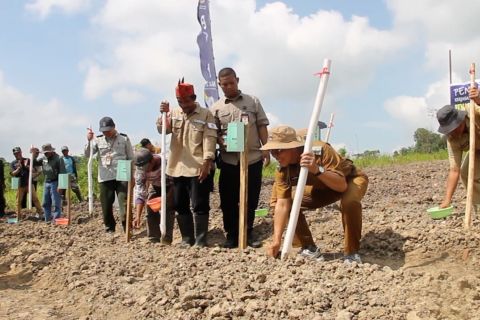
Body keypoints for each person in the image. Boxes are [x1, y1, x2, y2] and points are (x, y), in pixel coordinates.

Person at [262, 126, 368, 263]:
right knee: (288, 203)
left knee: (349, 203)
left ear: (292, 147)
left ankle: (352, 253)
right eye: (272, 152)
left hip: (348, 180)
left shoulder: (320, 150)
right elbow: (282, 205)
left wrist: (316, 170)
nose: (275, 155)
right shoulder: (283, 170)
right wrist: (276, 241)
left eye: (279, 150)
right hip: (321, 188)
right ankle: (308, 248)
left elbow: (342, 186)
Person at [210, 67, 270, 248]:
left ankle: (248, 233)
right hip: (229, 160)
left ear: (237, 80)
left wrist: (266, 149)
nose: (228, 86)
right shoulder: (216, 108)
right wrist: (222, 142)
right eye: (224, 84)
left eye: (231, 83)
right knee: (228, 200)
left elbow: (261, 126)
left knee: (251, 198)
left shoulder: (253, 102)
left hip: (252, 158)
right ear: (220, 85)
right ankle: (232, 235)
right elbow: (215, 133)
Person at [157, 79, 217, 247]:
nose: (183, 105)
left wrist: (207, 162)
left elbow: (210, 138)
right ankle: (187, 238)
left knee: (199, 204)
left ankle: (200, 240)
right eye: (180, 102)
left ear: (194, 97)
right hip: (176, 167)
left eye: (186, 101)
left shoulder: (206, 114)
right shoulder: (173, 113)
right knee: (179, 204)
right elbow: (163, 130)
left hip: (197, 167)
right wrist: (163, 115)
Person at [85, 116, 134, 233]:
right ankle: (109, 228)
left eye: (108, 130)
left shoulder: (124, 139)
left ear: (114, 127)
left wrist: (132, 176)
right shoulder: (97, 140)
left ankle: (127, 228)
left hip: (122, 174)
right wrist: (88, 140)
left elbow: (131, 158)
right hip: (105, 176)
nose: (106, 133)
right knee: (106, 205)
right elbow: (88, 155)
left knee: (124, 203)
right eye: (103, 131)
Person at [437, 89, 480, 208]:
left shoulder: (474, 111)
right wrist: (447, 200)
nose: (453, 132)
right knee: (465, 173)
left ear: (460, 120)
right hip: (477, 151)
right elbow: (454, 170)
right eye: (449, 130)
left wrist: (479, 101)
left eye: (454, 128)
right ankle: (478, 205)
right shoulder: (451, 139)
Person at [133, 148, 175, 244]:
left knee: (168, 209)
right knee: (150, 208)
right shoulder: (140, 171)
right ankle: (153, 238)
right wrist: (137, 216)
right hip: (155, 185)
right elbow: (140, 192)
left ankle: (167, 239)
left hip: (171, 185)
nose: (145, 170)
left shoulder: (166, 162)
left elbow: (176, 183)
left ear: (152, 160)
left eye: (147, 167)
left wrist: (166, 198)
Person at [34, 144, 66, 222]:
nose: (45, 154)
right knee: (45, 203)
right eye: (44, 153)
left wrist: (61, 186)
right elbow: (34, 163)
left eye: (47, 152)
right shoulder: (44, 158)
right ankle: (47, 220)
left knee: (56, 204)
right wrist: (34, 155)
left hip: (55, 182)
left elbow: (63, 173)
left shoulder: (59, 158)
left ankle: (56, 221)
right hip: (47, 182)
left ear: (51, 151)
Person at [10, 147, 43, 219]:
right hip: (20, 185)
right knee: (18, 201)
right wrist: (19, 168)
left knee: (35, 199)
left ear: (21, 152)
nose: (17, 154)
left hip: (29, 183)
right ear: (14, 154)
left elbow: (34, 170)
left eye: (18, 152)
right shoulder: (13, 163)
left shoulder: (27, 160)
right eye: (15, 153)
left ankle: (40, 213)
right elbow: (13, 174)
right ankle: (19, 216)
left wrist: (27, 166)